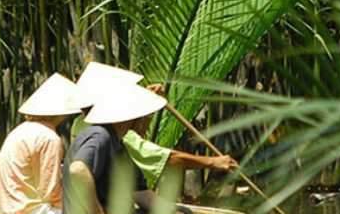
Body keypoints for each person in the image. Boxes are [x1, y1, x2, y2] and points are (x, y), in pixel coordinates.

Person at [73, 62, 237, 189]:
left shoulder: (84, 124)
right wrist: (213, 162)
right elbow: (167, 159)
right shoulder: (106, 132)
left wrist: (146, 104)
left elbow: (138, 132)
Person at [63, 83, 169, 214]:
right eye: (144, 116)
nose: (147, 120)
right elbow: (78, 170)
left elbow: (141, 193)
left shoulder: (119, 146)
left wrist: (176, 213)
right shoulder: (100, 135)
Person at [0, 73, 84, 214]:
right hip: (28, 213)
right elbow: (50, 192)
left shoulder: (20, 130)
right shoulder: (49, 138)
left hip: (7, 209)